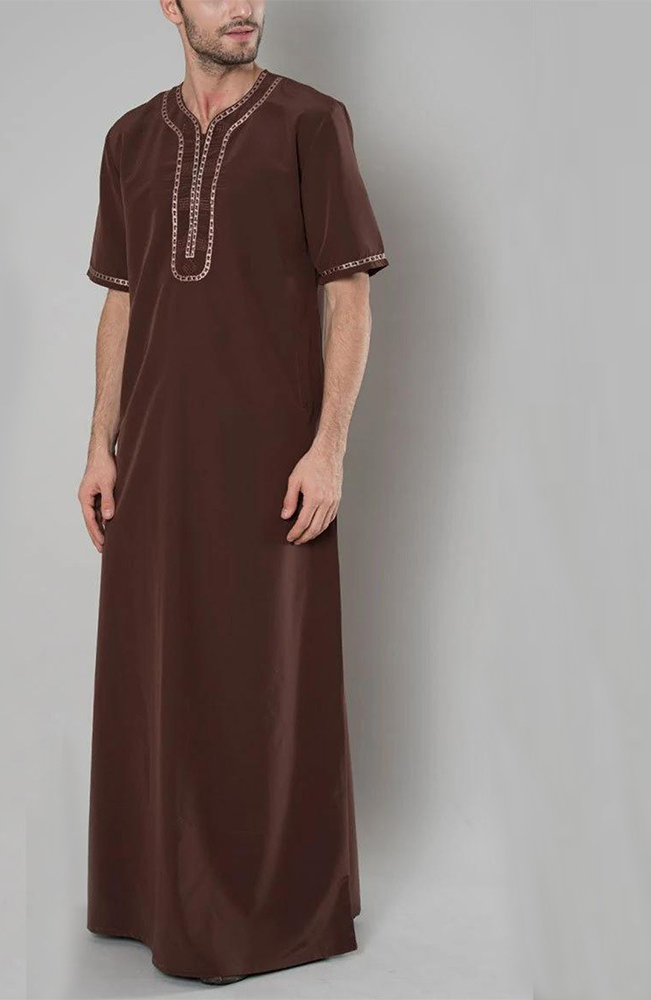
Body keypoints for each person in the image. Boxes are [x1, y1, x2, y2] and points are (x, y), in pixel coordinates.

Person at [78, 0, 388, 985]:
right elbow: (123, 299)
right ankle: (151, 897)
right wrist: (98, 447)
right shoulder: (130, 140)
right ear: (170, 7)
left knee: (264, 685)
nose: (245, 6)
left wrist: (328, 448)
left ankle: (268, 912)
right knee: (157, 673)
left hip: (270, 468)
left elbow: (349, 294)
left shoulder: (310, 124)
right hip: (155, 462)